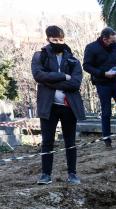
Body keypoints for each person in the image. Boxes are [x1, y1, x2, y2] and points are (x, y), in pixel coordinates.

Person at [31, 25, 86, 185]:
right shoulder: (40, 56)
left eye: (61, 39)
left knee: (70, 141)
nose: (58, 42)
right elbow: (38, 75)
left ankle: (72, 173)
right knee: (47, 141)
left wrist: (50, 81)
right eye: (54, 39)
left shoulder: (73, 59)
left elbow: (75, 83)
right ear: (48, 38)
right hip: (49, 106)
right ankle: (46, 174)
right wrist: (63, 76)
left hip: (69, 106)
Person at [83, 27, 116, 148]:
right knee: (106, 112)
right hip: (102, 83)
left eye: (115, 40)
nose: (114, 43)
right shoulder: (91, 48)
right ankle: (107, 140)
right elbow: (87, 66)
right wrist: (103, 74)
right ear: (104, 39)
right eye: (112, 41)